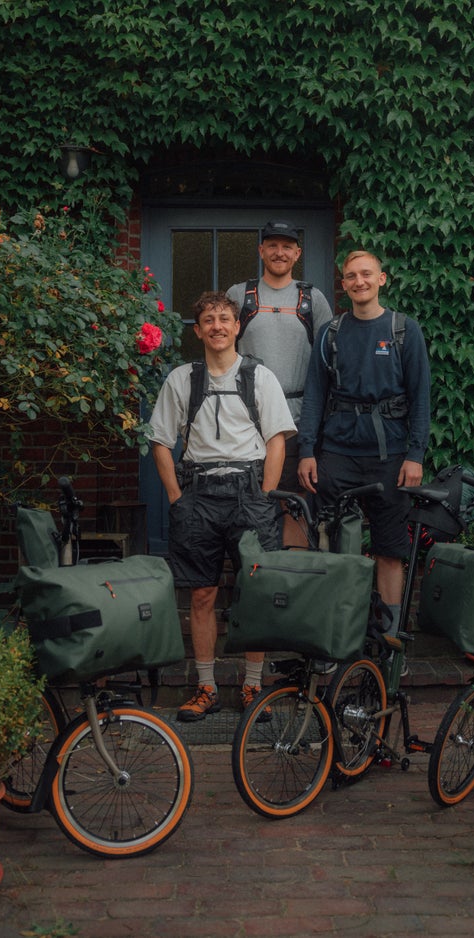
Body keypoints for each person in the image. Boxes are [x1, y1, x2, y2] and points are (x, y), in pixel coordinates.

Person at [150, 291, 296, 722]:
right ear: (198, 331)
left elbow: (276, 442)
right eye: (209, 320)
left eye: (225, 319)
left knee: (255, 592)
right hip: (198, 494)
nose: (217, 326)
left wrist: (265, 496)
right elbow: (160, 440)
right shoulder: (181, 379)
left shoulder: (259, 377)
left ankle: (254, 685)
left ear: (237, 328)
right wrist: (177, 498)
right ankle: (206, 687)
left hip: (250, 492)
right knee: (201, 592)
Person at [297, 250, 431, 636]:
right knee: (332, 548)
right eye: (351, 276)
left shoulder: (403, 330)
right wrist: (307, 451)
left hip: (390, 458)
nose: (359, 281)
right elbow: (314, 396)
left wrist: (416, 454)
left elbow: (420, 397)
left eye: (366, 274)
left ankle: (390, 641)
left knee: (390, 551)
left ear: (382, 279)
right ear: (343, 285)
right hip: (336, 456)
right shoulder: (332, 333)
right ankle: (333, 635)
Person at [226, 220, 333, 546]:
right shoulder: (239, 295)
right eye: (272, 245)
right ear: (261, 251)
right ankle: (249, 577)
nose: (279, 252)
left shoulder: (312, 299)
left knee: (293, 502)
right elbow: (220, 351)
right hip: (246, 419)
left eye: (287, 246)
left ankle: (288, 580)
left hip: (297, 419)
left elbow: (328, 362)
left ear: (297, 253)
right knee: (245, 500)